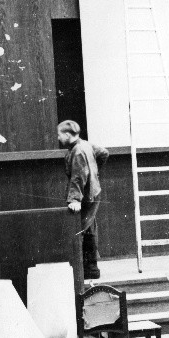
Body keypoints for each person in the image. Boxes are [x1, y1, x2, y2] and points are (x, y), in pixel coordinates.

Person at [57, 120, 108, 280]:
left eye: (59, 135)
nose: (58, 138)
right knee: (89, 228)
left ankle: (88, 268)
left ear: (67, 134)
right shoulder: (85, 144)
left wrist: (75, 199)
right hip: (93, 191)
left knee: (83, 229)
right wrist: (94, 171)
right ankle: (91, 268)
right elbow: (103, 153)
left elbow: (78, 177)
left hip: (86, 195)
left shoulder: (78, 151)